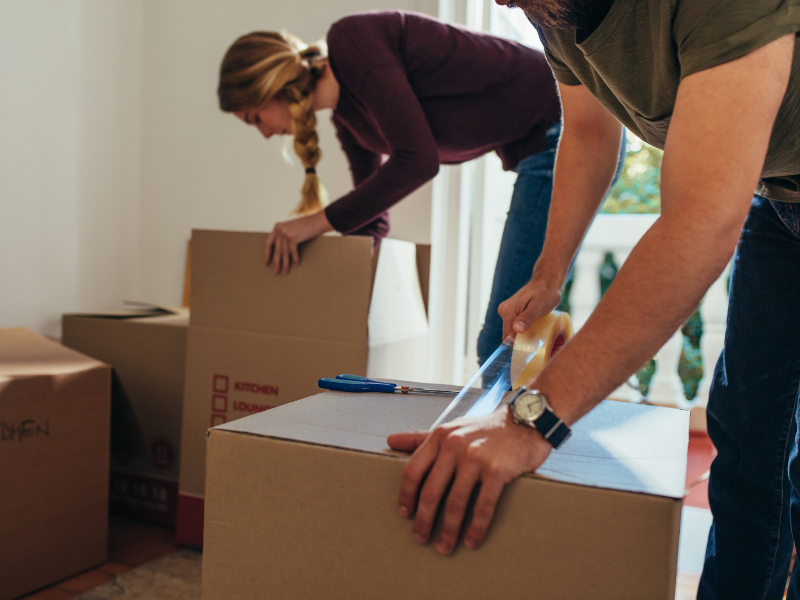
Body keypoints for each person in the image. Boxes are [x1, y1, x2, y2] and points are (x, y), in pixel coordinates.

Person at [386, 1, 800, 598]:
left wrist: (532, 424)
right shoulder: (550, 7)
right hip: (781, 195)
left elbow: (700, 223)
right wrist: (548, 274)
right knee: (747, 452)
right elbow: (585, 129)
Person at [217, 11, 622, 365]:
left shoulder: (353, 42)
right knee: (507, 344)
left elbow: (417, 160)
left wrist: (315, 223)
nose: (265, 133)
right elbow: (372, 224)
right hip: (543, 144)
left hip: (571, 134)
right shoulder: (349, 121)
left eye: (255, 118)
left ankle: (521, 444)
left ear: (270, 86)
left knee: (500, 345)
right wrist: (332, 306)